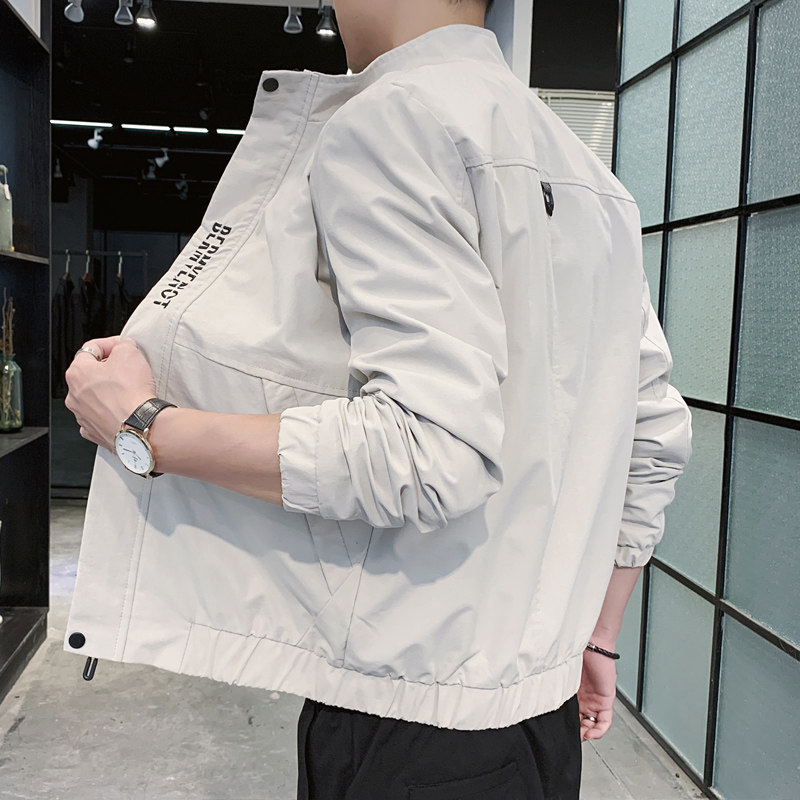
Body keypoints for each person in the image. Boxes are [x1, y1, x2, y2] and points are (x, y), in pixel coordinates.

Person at [64, 1, 692, 798]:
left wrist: (146, 429)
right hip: (537, 712)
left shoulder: (396, 118)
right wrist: (596, 636)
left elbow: (428, 453)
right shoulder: (585, 172)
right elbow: (655, 431)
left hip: (411, 711)